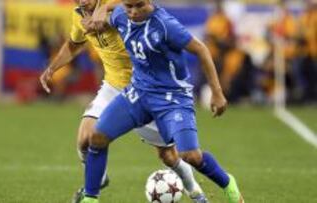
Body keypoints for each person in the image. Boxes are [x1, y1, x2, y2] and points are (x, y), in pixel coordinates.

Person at [75, 0, 244, 202]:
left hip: (172, 99)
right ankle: (90, 199)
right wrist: (98, 18)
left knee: (190, 156)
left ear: (149, 2)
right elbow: (110, 18)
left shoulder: (166, 25)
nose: (134, 12)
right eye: (129, 7)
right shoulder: (122, 15)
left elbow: (201, 50)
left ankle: (227, 183)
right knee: (97, 137)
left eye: (139, 6)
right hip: (139, 93)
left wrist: (217, 93)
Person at [39, 0, 208, 202]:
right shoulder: (78, 15)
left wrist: (105, 10)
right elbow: (74, 44)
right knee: (85, 138)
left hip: (144, 88)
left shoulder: (119, 6)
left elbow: (132, 7)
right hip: (112, 85)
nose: (84, 0)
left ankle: (194, 190)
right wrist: (52, 67)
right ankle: (97, 180)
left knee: (168, 155)